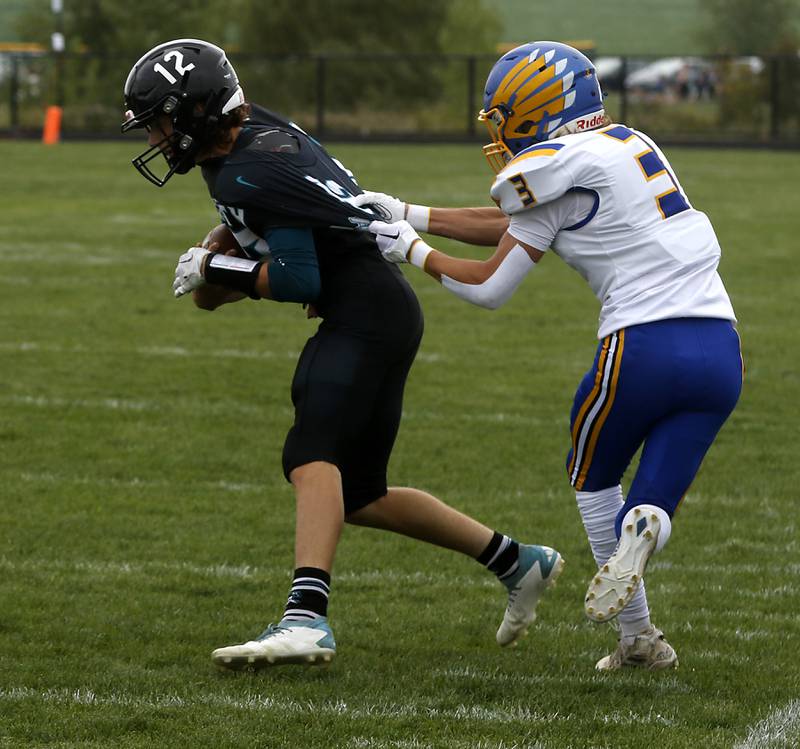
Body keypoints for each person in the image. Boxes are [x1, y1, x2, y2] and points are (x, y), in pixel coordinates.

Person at [121, 38, 564, 670]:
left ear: (193, 114)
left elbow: (302, 279)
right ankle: (518, 562)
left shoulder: (249, 168)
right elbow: (273, 219)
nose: (157, 138)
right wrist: (221, 251)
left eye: (162, 122)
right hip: (380, 307)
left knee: (310, 455)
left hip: (365, 315)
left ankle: (306, 619)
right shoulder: (251, 137)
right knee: (358, 493)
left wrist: (217, 266)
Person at [358, 40, 742, 671]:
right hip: (721, 350)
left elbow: (488, 286)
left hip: (641, 345)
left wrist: (411, 249)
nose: (499, 129)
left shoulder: (551, 168)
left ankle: (637, 638)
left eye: (504, 114)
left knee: (593, 480)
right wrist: (411, 213)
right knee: (651, 498)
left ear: (536, 108)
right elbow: (520, 223)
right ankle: (646, 530)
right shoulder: (628, 144)